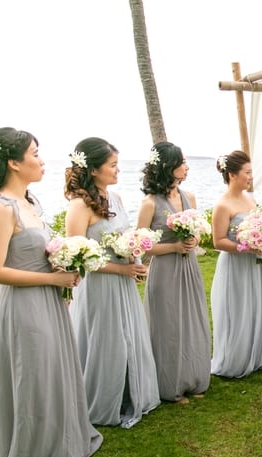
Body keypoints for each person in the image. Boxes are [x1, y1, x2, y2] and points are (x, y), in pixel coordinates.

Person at [0, 127, 102, 457]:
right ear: (13, 162)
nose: (42, 160)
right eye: (34, 153)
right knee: (33, 381)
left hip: (46, 301)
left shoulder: (30, 203)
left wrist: (62, 266)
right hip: (20, 307)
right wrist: (52, 280)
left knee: (53, 373)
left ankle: (61, 445)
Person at [64, 137, 160, 427]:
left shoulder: (115, 198)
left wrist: (136, 259)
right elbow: (76, 257)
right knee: (105, 341)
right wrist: (120, 271)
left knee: (128, 338)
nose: (118, 171)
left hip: (123, 281)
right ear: (94, 169)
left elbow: (125, 235)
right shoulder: (79, 206)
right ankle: (102, 400)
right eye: (113, 165)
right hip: (99, 287)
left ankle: (130, 393)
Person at [137, 141, 211, 403]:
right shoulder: (150, 204)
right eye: (181, 163)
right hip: (165, 270)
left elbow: (199, 234)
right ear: (168, 167)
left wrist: (194, 241)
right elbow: (142, 246)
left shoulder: (188, 197)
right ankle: (170, 384)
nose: (186, 167)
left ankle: (194, 378)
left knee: (192, 321)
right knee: (169, 326)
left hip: (189, 268)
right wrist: (174, 246)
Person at [210, 151, 262, 378]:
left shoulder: (251, 199)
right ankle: (235, 359)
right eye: (247, 172)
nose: (250, 177)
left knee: (257, 305)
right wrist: (246, 247)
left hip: (256, 264)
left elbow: (260, 226)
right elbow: (218, 241)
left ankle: (258, 354)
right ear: (232, 174)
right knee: (239, 308)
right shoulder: (222, 205)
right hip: (236, 266)